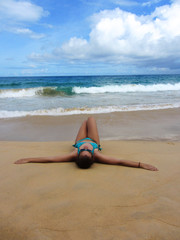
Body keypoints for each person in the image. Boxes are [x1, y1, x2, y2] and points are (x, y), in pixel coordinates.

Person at [14, 117, 158, 171]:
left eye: (82, 150)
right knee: (91, 118)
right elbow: (120, 162)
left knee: (84, 121)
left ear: (78, 155)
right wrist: (141, 165)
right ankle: (90, 125)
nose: (85, 149)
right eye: (85, 150)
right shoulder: (97, 154)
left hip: (80, 139)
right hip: (94, 140)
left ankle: (84, 130)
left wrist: (28, 159)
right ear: (92, 156)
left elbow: (50, 159)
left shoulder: (73, 154)